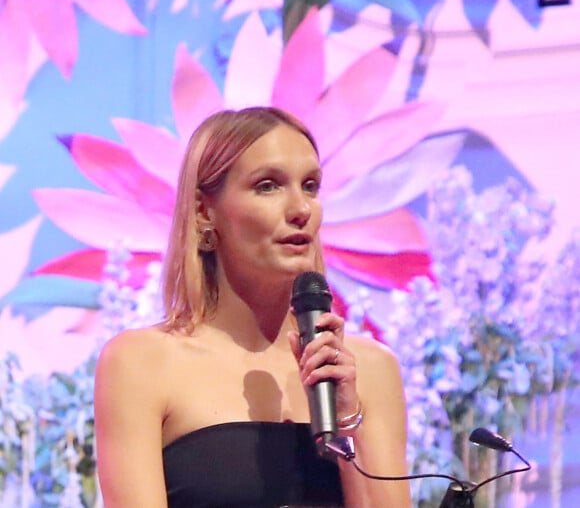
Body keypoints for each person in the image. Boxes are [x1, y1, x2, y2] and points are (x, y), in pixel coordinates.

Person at [94, 106, 411, 507]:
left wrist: (348, 425)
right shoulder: (140, 363)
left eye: (310, 185)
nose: (301, 209)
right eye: (268, 186)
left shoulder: (366, 368)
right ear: (205, 212)